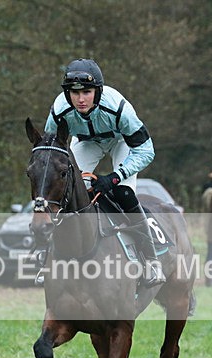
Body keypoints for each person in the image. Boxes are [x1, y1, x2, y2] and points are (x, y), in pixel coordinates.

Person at [43, 58, 164, 287]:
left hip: (121, 142)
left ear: (98, 91)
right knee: (68, 192)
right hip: (86, 142)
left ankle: (150, 259)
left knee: (124, 194)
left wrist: (114, 177)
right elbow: (51, 148)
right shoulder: (59, 109)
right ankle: (48, 255)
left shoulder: (118, 108)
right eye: (74, 92)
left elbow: (146, 151)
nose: (80, 99)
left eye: (87, 92)